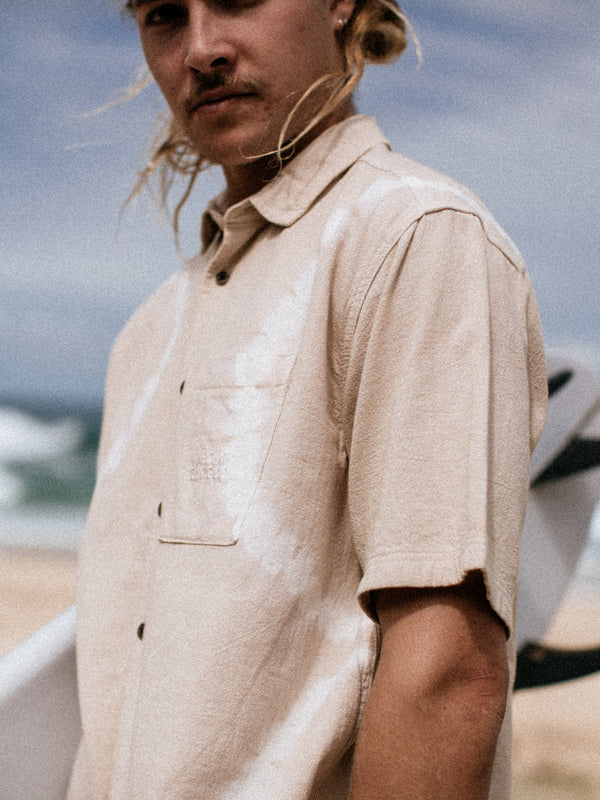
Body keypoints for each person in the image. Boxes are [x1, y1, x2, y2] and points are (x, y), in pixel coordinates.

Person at [68, 1, 547, 798]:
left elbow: (446, 669)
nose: (201, 49)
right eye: (162, 16)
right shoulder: (150, 330)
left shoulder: (413, 235)